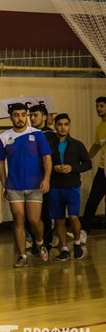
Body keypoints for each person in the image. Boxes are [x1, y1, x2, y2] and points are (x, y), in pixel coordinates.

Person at [0, 103, 52, 267]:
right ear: (11, 117)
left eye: (22, 114)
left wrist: (46, 179)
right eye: (16, 115)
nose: (20, 118)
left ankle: (40, 242)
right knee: (18, 219)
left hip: (35, 185)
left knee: (34, 220)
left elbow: (47, 158)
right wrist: (4, 183)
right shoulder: (3, 137)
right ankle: (22, 255)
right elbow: (0, 162)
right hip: (14, 186)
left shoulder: (37, 134)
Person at [48, 114, 91, 260]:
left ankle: (77, 242)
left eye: (66, 124)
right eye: (60, 124)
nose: (63, 127)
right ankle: (64, 249)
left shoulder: (77, 144)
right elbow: (43, 163)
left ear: (69, 126)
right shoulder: (50, 144)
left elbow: (87, 164)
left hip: (72, 186)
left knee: (73, 217)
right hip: (55, 186)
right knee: (59, 219)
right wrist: (54, 168)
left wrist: (72, 168)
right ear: (55, 126)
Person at [29, 104, 56, 250]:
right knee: (31, 215)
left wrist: (47, 178)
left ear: (44, 117)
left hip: (45, 179)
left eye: (36, 115)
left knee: (44, 212)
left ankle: (46, 241)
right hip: (30, 179)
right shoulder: (27, 133)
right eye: (31, 115)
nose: (32, 118)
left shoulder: (50, 135)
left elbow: (49, 158)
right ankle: (36, 240)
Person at [81, 96, 106, 244]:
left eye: (102, 106)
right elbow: (97, 145)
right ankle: (83, 232)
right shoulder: (99, 127)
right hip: (103, 169)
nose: (99, 109)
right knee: (92, 200)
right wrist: (86, 159)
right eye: (97, 106)